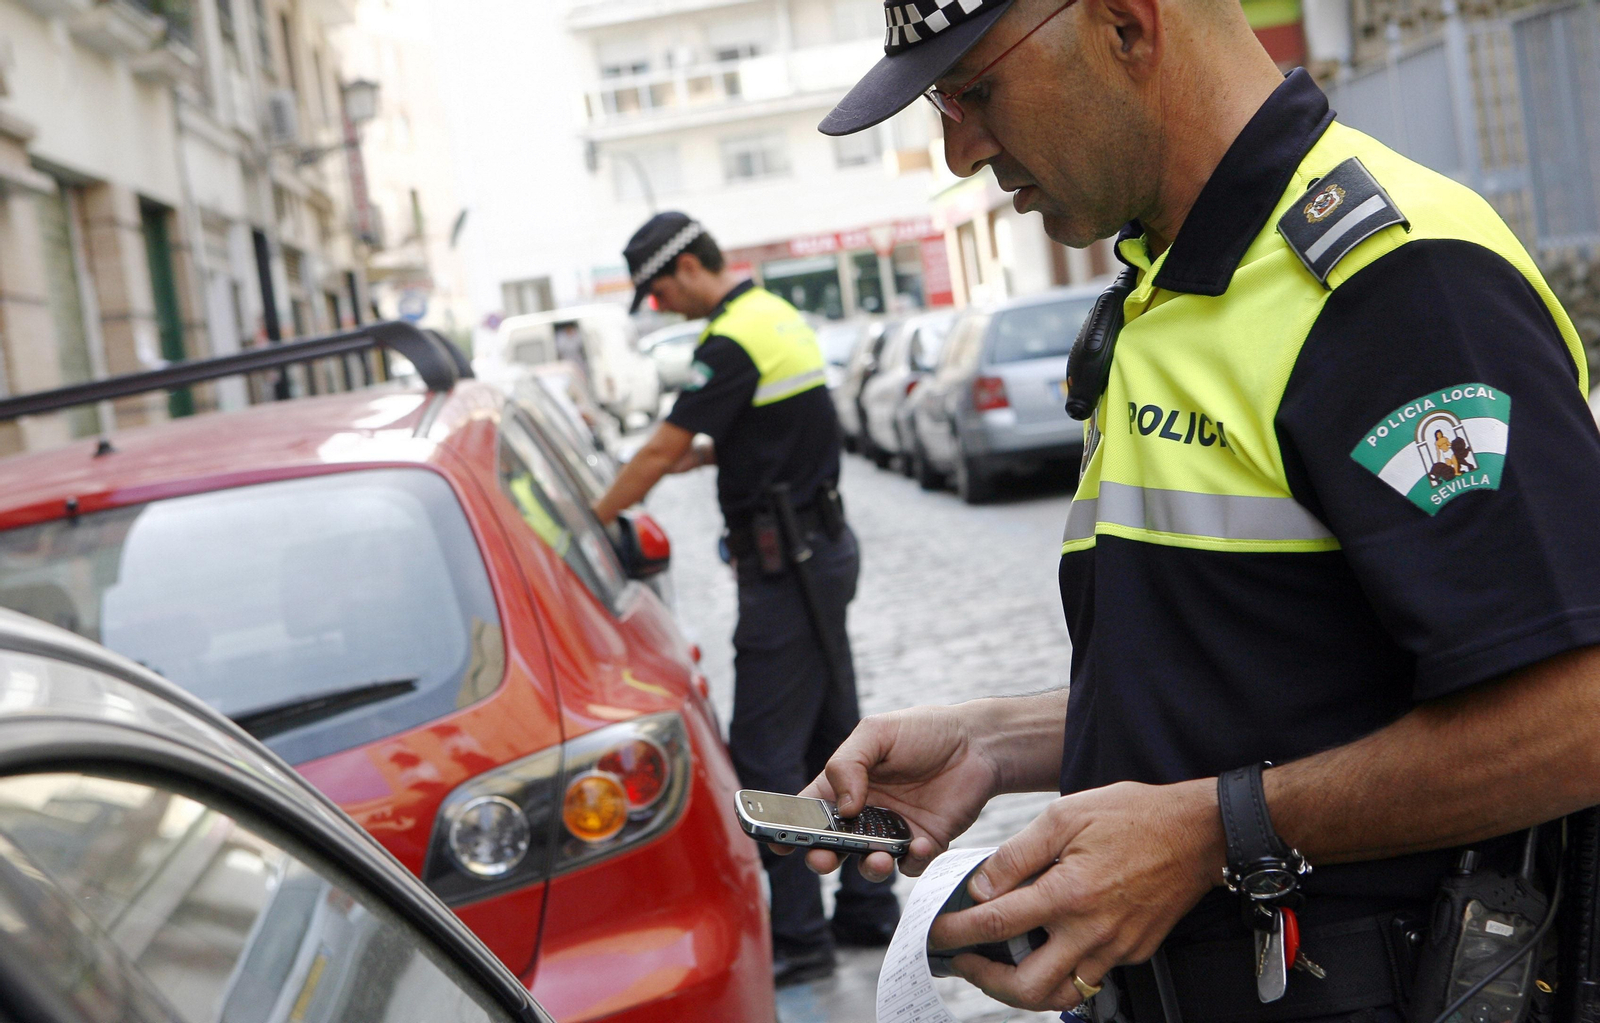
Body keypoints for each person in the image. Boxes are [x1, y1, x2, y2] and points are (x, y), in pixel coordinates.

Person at [798, 0, 1600, 1018]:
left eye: (973, 92)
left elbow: (1578, 715)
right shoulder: (1164, 282)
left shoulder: (1389, 278)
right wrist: (998, 741)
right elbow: (1292, 670)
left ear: (1127, 27)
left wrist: (1216, 832)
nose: (958, 152)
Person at [591, 212, 900, 986]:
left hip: (787, 568)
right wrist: (713, 454)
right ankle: (869, 909)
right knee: (836, 731)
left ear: (690, 265)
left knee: (763, 754)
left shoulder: (727, 340)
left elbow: (659, 446)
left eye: (660, 291)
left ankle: (801, 934)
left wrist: (588, 522)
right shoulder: (771, 314)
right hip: (818, 550)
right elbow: (771, 427)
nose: (660, 307)